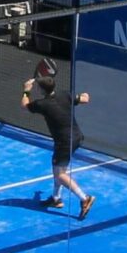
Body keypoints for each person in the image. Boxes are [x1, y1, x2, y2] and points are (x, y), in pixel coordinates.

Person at [21, 60, 94, 220]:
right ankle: (56, 199)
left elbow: (25, 105)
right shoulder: (65, 94)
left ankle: (84, 198)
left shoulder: (42, 104)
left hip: (64, 142)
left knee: (60, 174)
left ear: (41, 90)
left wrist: (26, 91)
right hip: (76, 137)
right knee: (59, 170)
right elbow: (85, 99)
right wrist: (85, 95)